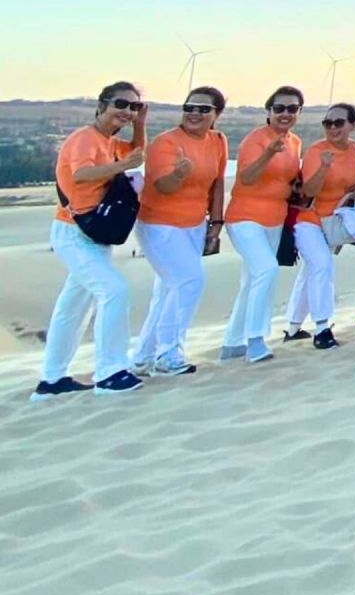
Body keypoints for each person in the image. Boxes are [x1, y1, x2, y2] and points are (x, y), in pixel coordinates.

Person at [32, 82, 148, 399]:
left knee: (74, 306)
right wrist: (122, 166)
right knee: (114, 290)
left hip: (93, 232)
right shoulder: (85, 138)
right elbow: (81, 175)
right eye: (121, 104)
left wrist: (140, 124)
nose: (127, 111)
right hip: (74, 232)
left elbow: (137, 155)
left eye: (134, 106)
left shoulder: (110, 141)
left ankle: (52, 380)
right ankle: (109, 372)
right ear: (101, 105)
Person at [132, 86, 228, 376]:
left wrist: (216, 223)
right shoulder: (166, 142)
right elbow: (162, 186)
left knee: (168, 290)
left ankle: (143, 356)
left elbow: (218, 183)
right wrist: (178, 174)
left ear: (216, 114)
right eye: (189, 107)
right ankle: (169, 353)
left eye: (203, 109)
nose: (194, 113)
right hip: (159, 224)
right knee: (189, 281)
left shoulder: (218, 141)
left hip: (195, 224)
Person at [223, 86, 304, 363]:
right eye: (279, 108)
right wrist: (268, 154)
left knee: (252, 280)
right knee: (267, 269)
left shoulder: (295, 142)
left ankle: (232, 342)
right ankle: (255, 339)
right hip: (245, 217)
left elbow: (289, 180)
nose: (285, 113)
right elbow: (246, 178)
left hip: (275, 218)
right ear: (269, 111)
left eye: (292, 108)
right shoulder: (255, 139)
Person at [283, 103, 355, 350]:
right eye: (327, 123)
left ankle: (293, 327)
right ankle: (322, 328)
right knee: (322, 265)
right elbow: (309, 190)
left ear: (352, 125)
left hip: (335, 221)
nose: (332, 128)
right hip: (309, 220)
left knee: (311, 271)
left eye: (339, 123)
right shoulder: (316, 151)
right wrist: (324, 167)